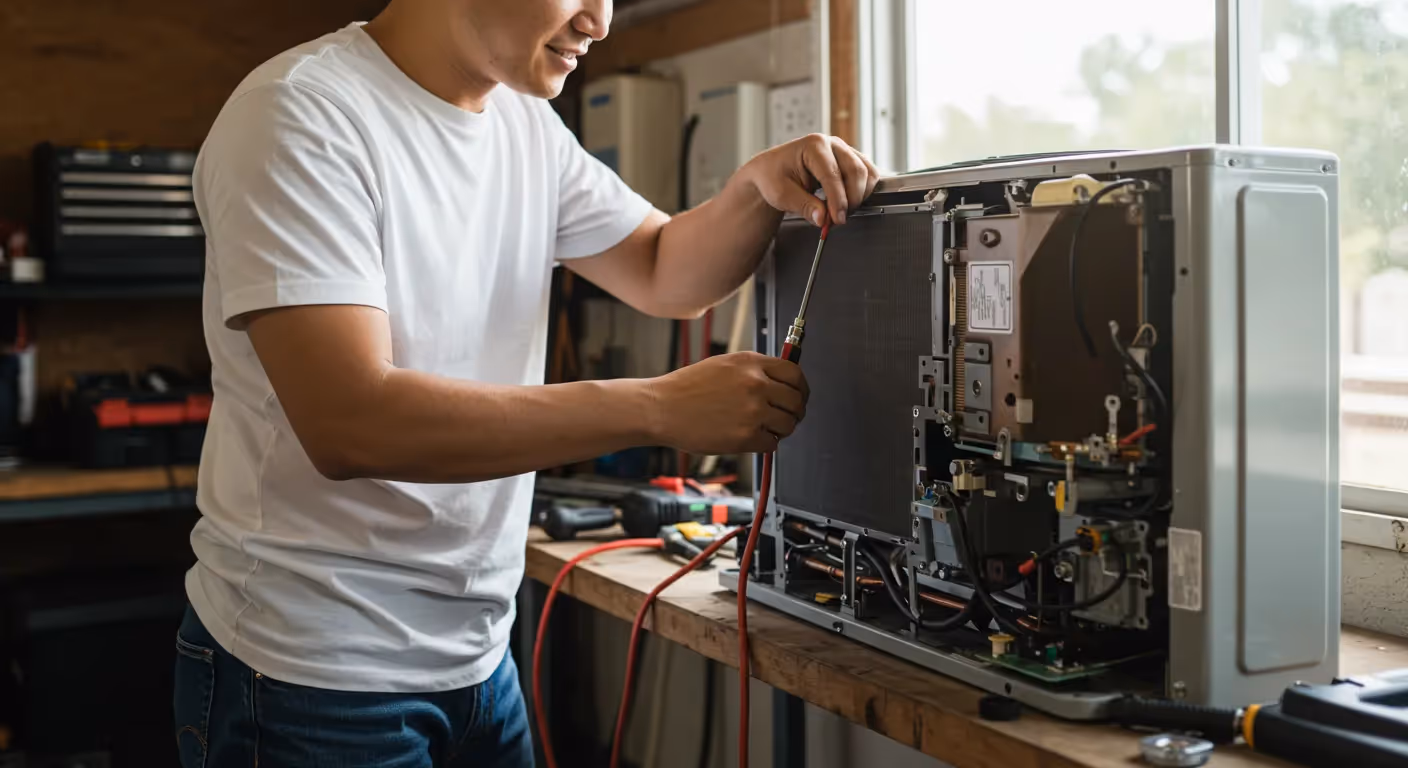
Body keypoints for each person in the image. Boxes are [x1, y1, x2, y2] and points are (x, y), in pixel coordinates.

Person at [172, 0, 878, 765]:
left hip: (478, 662)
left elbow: (661, 267)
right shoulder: (299, 116)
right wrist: (656, 405)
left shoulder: (522, 122)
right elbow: (351, 421)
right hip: (309, 674)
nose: (600, 22)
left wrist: (753, 189)